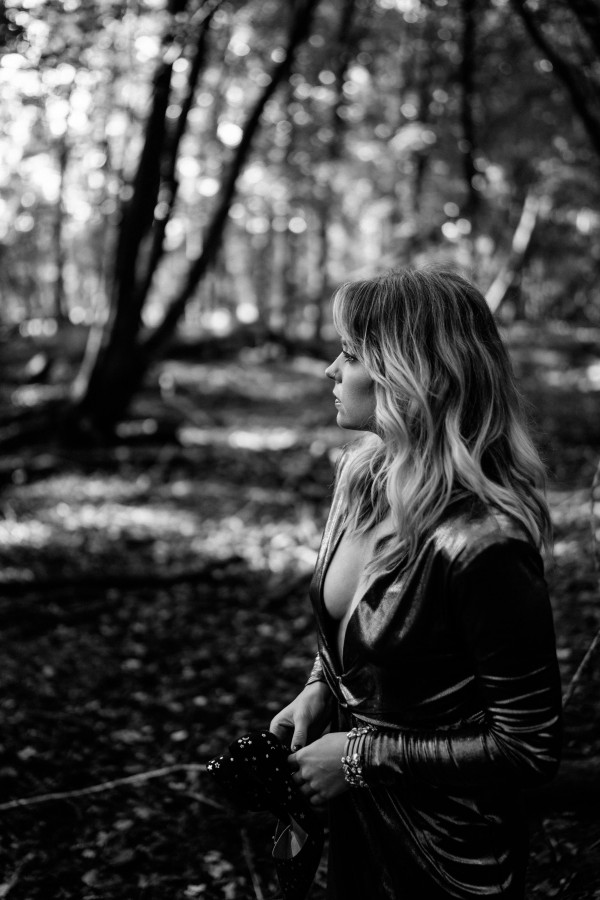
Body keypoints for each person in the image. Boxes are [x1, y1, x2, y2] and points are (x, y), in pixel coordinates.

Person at [270, 267, 562, 900]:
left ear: (409, 374)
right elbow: (349, 630)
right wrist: (320, 686)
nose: (330, 369)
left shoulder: (484, 542)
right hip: (357, 827)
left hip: (450, 855)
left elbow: (529, 748)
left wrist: (359, 757)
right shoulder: (360, 478)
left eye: (350, 354)